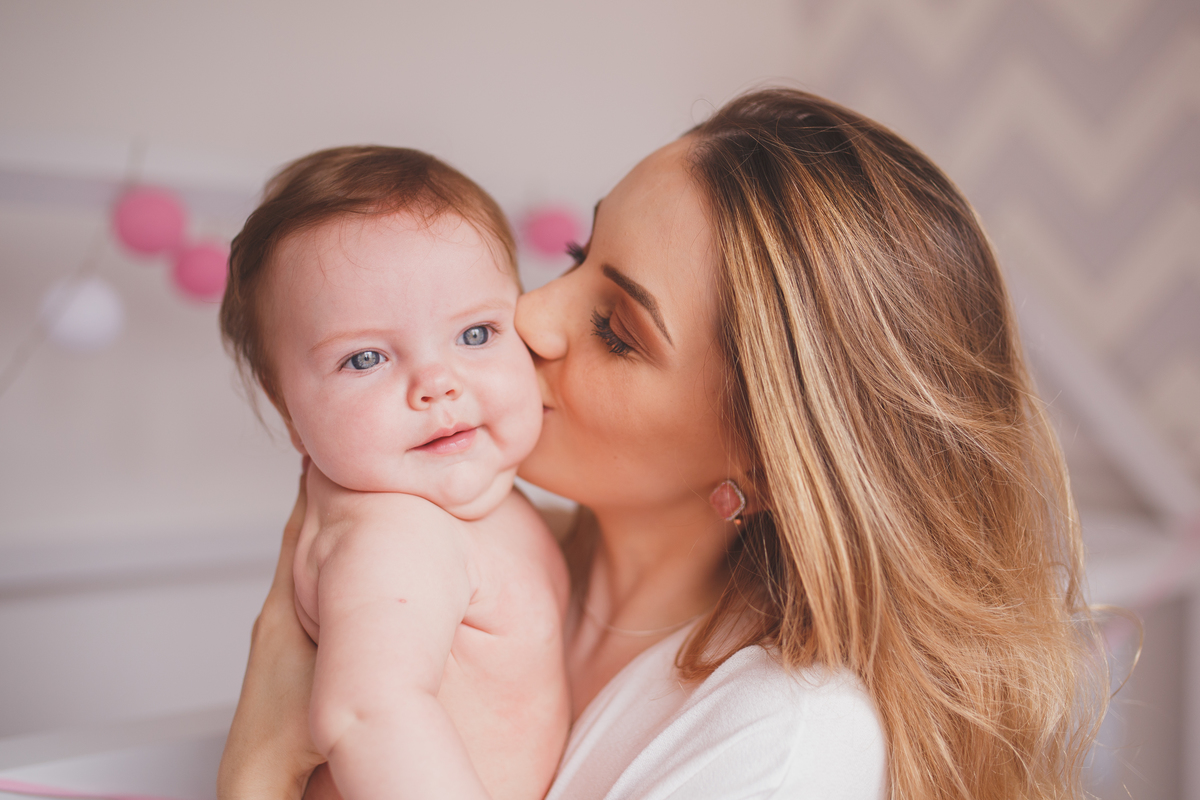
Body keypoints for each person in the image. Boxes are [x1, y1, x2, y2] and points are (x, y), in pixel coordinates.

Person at [218, 90, 1106, 800]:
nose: (528, 316)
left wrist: (259, 763)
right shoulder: (481, 548)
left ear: (763, 455)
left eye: (617, 329)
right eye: (574, 254)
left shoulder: (781, 747)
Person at [217, 146, 570, 800]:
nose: (437, 384)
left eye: (475, 334)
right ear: (286, 408)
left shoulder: (474, 508)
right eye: (366, 358)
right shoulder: (393, 531)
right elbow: (370, 713)